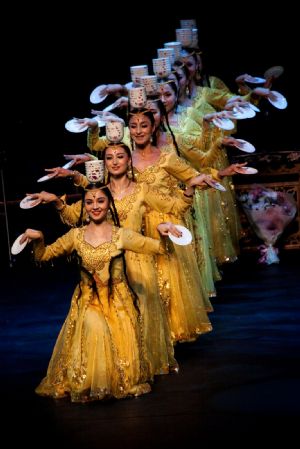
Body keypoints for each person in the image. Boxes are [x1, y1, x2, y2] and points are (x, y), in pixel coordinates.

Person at [28, 143, 196, 378]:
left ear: (129, 161)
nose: (115, 161)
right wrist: (57, 202)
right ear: (104, 162)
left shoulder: (142, 190)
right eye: (109, 157)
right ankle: (117, 370)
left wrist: (189, 188)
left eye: (120, 156)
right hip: (108, 263)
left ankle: (140, 367)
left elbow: (176, 207)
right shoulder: (99, 195)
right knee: (112, 319)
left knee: (142, 318)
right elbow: (72, 216)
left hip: (138, 260)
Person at [19, 184, 176, 402]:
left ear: (109, 204)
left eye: (100, 201)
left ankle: (114, 379)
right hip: (89, 301)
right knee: (95, 326)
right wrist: (38, 239)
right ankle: (96, 380)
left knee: (126, 369)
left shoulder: (121, 235)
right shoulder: (76, 236)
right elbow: (44, 255)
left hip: (119, 302)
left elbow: (158, 248)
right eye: (90, 202)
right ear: (84, 206)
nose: (95, 206)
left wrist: (163, 233)